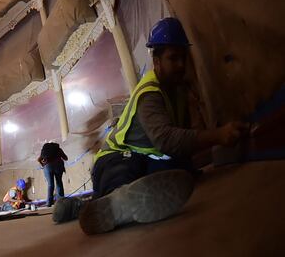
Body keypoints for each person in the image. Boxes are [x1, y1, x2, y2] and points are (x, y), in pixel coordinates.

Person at [76, 17, 248, 234]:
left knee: (177, 172)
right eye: (173, 58)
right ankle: (115, 199)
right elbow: (166, 140)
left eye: (183, 58)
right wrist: (217, 136)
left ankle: (86, 204)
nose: (181, 65)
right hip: (115, 157)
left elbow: (185, 141)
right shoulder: (150, 93)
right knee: (124, 170)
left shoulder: (178, 91)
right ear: (156, 60)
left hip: (144, 158)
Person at [38, 141, 68, 206]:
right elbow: (66, 158)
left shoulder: (45, 151)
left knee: (50, 185)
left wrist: (43, 165)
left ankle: (49, 203)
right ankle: (61, 202)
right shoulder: (58, 149)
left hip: (47, 166)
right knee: (59, 182)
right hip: (58, 165)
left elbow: (39, 159)